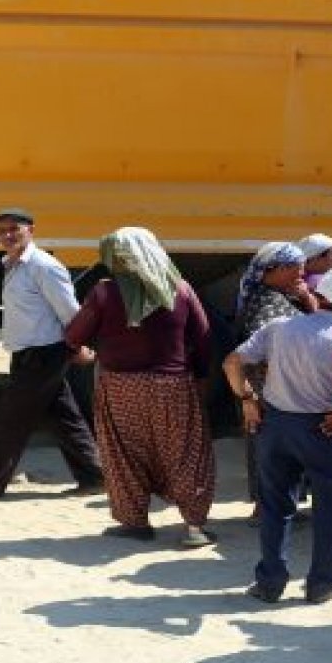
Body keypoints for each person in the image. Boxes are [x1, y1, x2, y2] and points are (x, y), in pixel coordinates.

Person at [223, 266, 332, 604]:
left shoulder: (279, 328)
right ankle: (322, 585)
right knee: (331, 508)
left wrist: (248, 400)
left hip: (276, 426)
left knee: (275, 507)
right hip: (322, 430)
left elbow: (232, 362)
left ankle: (269, 583)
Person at [63, 228, 214, 546]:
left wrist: (96, 345)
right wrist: (199, 379)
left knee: (124, 455)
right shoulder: (181, 288)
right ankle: (194, 527)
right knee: (186, 453)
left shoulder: (104, 292)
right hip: (173, 386)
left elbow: (74, 335)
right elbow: (203, 338)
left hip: (120, 388)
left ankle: (135, 523)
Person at [0, 208, 104, 505]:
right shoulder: (11, 264)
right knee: (63, 416)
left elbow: (70, 311)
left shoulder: (44, 266)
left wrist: (79, 345)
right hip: (27, 352)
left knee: (8, 420)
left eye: (14, 229)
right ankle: (95, 476)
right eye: (1, 231)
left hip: (45, 352)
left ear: (31, 230)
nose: (7, 235)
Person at [235, 242, 311, 518]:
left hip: (274, 389)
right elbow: (268, 349)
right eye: (295, 268)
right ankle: (269, 508)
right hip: (273, 391)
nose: (301, 273)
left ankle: (271, 505)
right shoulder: (268, 302)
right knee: (273, 449)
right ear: (275, 269)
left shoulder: (274, 295)